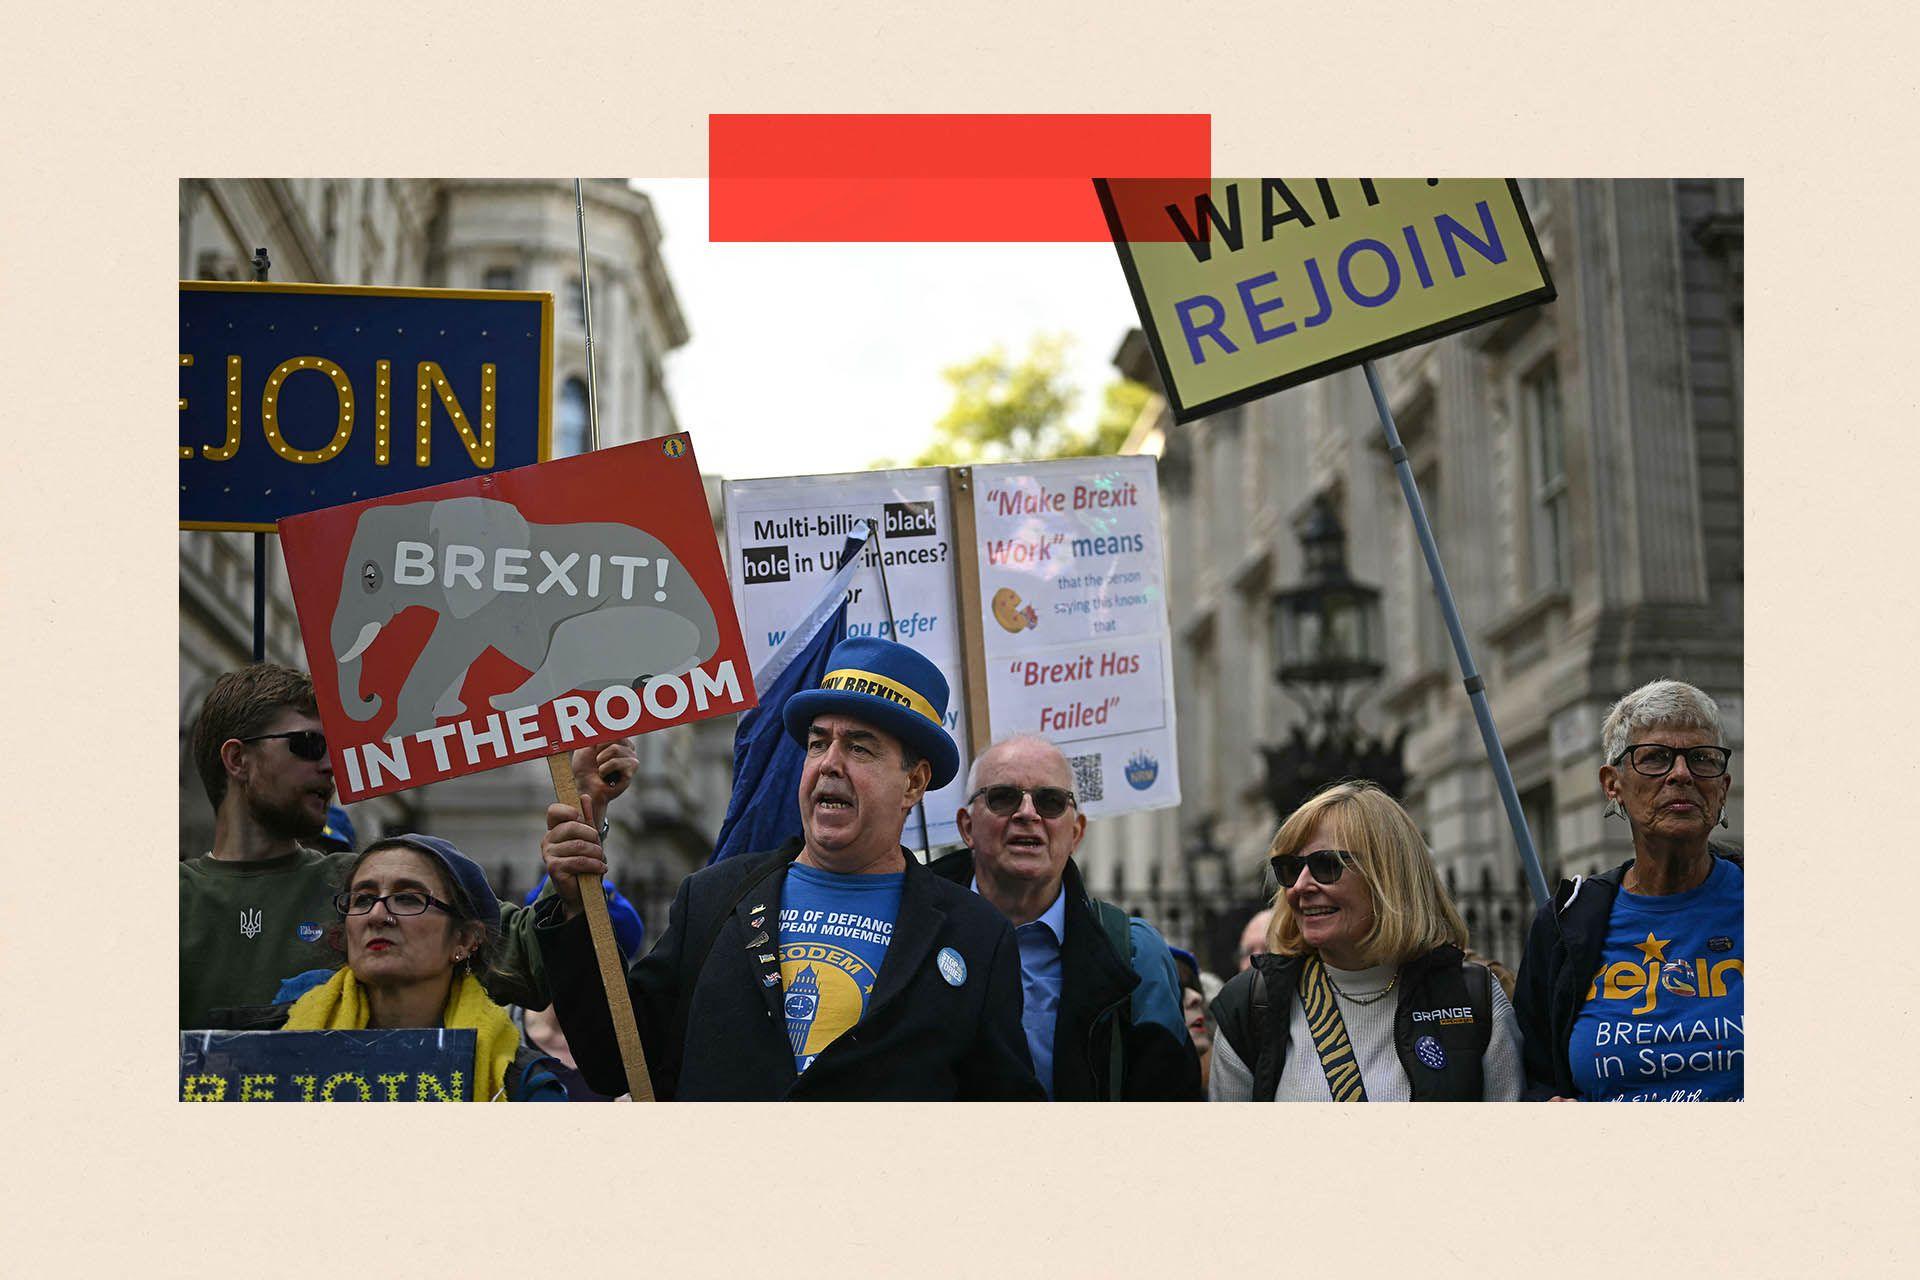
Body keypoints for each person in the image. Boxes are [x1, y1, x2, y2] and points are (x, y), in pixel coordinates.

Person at [535, 636, 1043, 1101]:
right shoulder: (714, 898)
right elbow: (616, 1060)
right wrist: (579, 906)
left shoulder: (975, 936)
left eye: (860, 747)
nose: (830, 763)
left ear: (913, 783)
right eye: (819, 743)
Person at [179, 662, 637, 1027]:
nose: (330, 767)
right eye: (307, 745)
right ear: (237, 759)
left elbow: (530, 958)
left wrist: (585, 804)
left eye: (334, 750)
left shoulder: (369, 886)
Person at [1209, 781, 1523, 1101]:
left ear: (1387, 876)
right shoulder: (1250, 1007)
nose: (1300, 885)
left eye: (1326, 865)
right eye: (1289, 868)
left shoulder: (1473, 997)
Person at [929, 733, 1201, 1100]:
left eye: (1051, 801)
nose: (1028, 813)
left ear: (1075, 833)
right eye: (1003, 797)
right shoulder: (914, 934)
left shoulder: (1135, 953)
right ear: (966, 827)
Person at [1514, 679, 1742, 1101]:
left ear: (1722, 788)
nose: (1681, 774)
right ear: (1612, 784)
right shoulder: (1565, 925)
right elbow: (1533, 1076)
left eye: (1701, 759)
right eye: (1654, 758)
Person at [213, 834, 566, 1101]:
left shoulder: (520, 1086)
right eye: (363, 899)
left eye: (409, 898)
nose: (378, 915)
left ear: (464, 940)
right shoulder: (241, 1049)